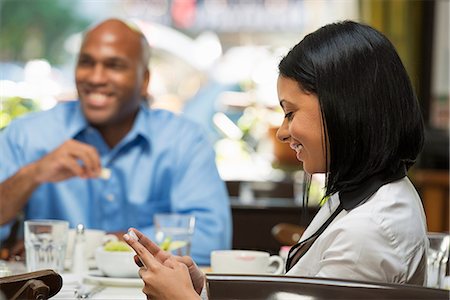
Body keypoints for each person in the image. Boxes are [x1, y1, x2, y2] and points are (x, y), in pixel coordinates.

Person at [123, 20, 428, 299]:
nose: (283, 132)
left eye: (290, 113)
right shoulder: (361, 198)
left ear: (345, 110)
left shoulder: (369, 230)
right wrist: (201, 288)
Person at [0, 18, 231, 265]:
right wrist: (33, 174)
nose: (96, 78)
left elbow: (211, 239)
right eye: (86, 63)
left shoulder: (182, 140)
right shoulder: (26, 135)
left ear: (144, 81)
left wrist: (96, 245)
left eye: (114, 65)